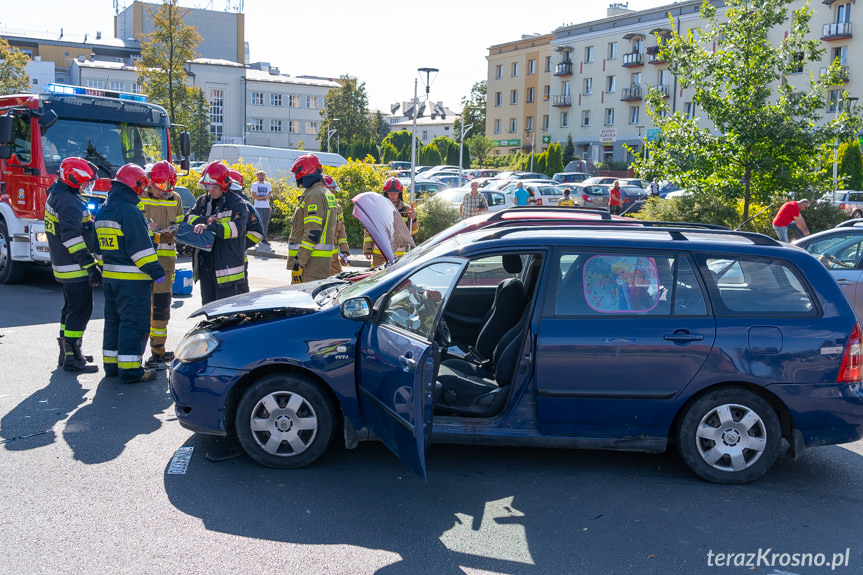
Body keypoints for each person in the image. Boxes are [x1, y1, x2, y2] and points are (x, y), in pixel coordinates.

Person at [95, 164, 165, 383]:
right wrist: (156, 271)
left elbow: (98, 249)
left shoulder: (104, 209)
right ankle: (131, 370)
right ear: (136, 185)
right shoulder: (129, 210)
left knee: (114, 322)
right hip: (133, 281)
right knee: (133, 323)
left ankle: (112, 366)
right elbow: (140, 251)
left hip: (111, 279)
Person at [45, 157, 101, 373]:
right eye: (86, 182)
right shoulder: (69, 202)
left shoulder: (58, 193)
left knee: (69, 309)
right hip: (74, 266)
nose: (89, 186)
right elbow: (72, 238)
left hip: (62, 264)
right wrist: (90, 265)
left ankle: (68, 351)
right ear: (74, 179)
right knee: (81, 309)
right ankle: (72, 357)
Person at [139, 160, 184, 369]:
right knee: (139, 307)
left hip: (166, 261)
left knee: (161, 306)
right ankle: (133, 354)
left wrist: (173, 230)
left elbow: (181, 225)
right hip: (143, 261)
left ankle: (157, 350)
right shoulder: (138, 196)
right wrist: (147, 227)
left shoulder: (175, 198)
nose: (161, 192)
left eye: (165, 188)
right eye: (158, 188)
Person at [186, 162, 248, 304]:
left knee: (225, 312)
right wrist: (205, 219)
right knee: (208, 308)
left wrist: (210, 227)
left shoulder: (237, 204)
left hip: (227, 269)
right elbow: (188, 219)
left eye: (214, 186)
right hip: (206, 265)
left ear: (224, 185)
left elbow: (236, 230)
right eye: (207, 186)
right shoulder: (203, 201)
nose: (210, 190)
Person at [288, 153, 339, 283]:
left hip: (309, 265)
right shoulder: (325, 193)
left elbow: (312, 232)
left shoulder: (314, 195)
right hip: (318, 264)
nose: (297, 179)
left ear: (304, 172)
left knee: (300, 301)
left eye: (297, 175)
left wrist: (300, 262)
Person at [363, 177, 418, 267]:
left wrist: (413, 219)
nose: (393, 196)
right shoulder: (378, 209)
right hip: (380, 254)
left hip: (399, 256)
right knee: (377, 278)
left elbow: (413, 232)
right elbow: (369, 230)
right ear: (386, 193)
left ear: (399, 194)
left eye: (395, 193)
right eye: (390, 193)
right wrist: (368, 249)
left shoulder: (407, 210)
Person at [227, 169, 264, 294]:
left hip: (238, 259)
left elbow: (257, 233)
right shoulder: (219, 203)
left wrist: (238, 246)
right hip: (220, 260)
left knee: (240, 294)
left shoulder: (245, 206)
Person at [323, 175, 351, 275]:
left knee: (337, 284)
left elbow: (341, 231)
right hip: (318, 260)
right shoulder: (317, 207)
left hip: (334, 259)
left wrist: (344, 252)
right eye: (329, 190)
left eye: (333, 190)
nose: (332, 193)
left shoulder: (337, 208)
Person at [249, 170, 272, 244]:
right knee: (259, 222)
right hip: (258, 206)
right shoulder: (254, 185)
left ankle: (264, 239)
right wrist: (265, 197)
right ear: (257, 176)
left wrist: (269, 205)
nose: (261, 177)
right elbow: (254, 196)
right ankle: (257, 238)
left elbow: (270, 195)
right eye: (260, 175)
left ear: (264, 176)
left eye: (263, 175)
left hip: (266, 206)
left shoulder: (268, 184)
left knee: (266, 222)